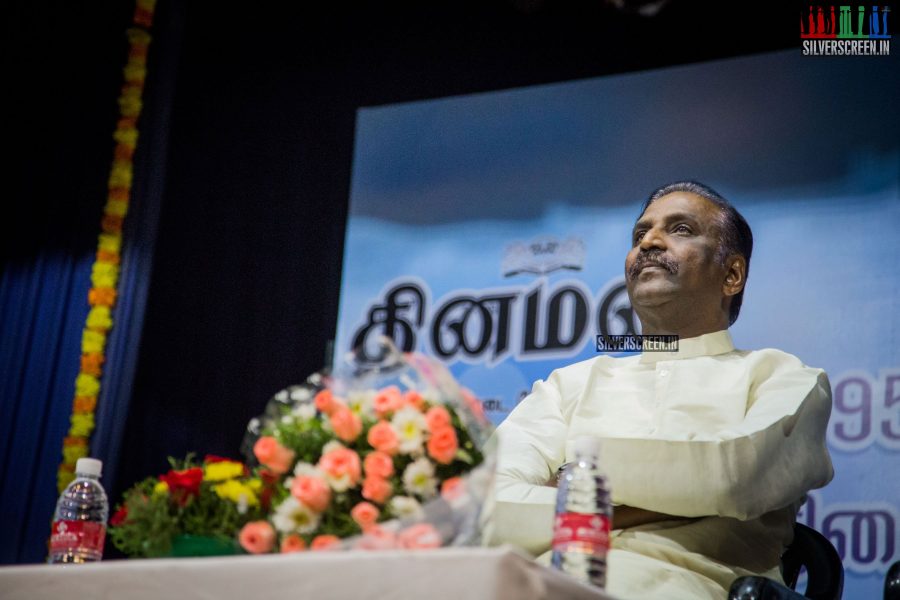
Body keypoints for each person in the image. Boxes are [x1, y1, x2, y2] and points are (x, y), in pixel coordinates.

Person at [482, 181, 834, 599]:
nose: (649, 241)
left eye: (680, 229)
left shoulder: (782, 376)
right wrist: (667, 502)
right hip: (538, 583)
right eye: (639, 234)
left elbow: (731, 474)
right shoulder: (570, 385)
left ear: (732, 274)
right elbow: (485, 505)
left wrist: (569, 482)